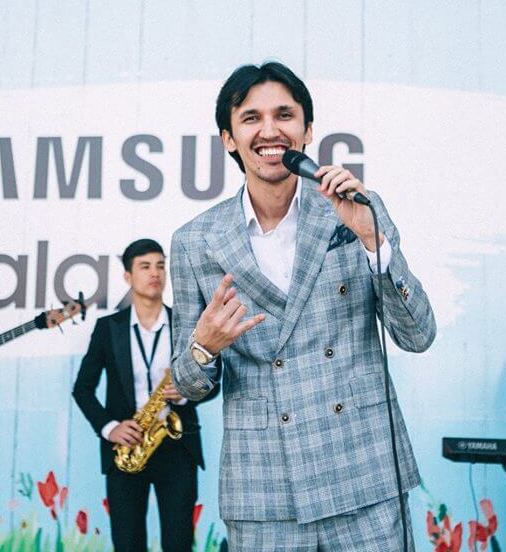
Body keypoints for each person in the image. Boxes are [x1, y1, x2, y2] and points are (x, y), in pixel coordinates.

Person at [169, 62, 437, 551]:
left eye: (284, 115)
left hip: (364, 473)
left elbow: (418, 335)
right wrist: (203, 348)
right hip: (264, 491)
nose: (270, 131)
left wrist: (373, 243)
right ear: (229, 138)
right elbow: (189, 385)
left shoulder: (356, 208)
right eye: (251, 118)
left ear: (307, 130)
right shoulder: (195, 242)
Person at [73, 239, 218, 552]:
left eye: (160, 265)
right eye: (145, 266)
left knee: (179, 544)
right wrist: (110, 428)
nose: (155, 273)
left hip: (178, 449)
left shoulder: (188, 325)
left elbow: (213, 381)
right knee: (127, 544)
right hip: (127, 447)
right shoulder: (107, 328)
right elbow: (82, 388)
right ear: (128, 276)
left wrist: (187, 392)